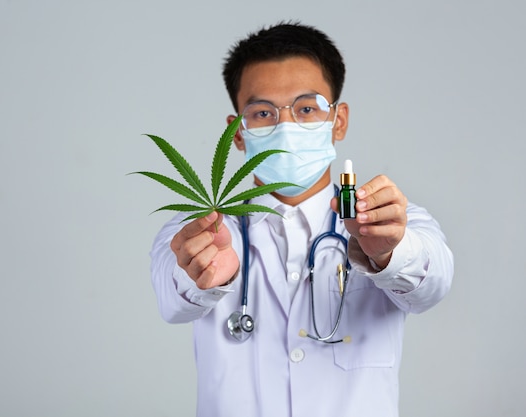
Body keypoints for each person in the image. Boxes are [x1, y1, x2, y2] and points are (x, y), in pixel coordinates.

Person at [149, 22, 453, 417]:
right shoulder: (201, 228)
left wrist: (387, 254)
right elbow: (171, 300)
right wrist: (204, 275)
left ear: (338, 120)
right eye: (262, 113)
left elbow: (434, 283)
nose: (287, 126)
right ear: (237, 133)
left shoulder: (392, 221)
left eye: (307, 108)